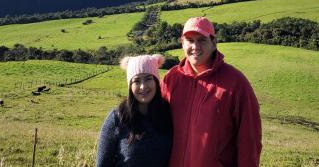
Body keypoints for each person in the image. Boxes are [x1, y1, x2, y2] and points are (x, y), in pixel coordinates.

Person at [161, 17, 262, 167]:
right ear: (182, 43)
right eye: (189, 40)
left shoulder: (236, 83)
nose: (195, 46)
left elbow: (250, 141)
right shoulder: (171, 78)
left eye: (202, 40)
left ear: (214, 43)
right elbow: (155, 124)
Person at [97, 54, 172, 167]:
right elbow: (102, 164)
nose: (143, 86)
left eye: (148, 79)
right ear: (130, 86)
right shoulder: (117, 118)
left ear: (156, 82)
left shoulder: (167, 114)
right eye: (136, 81)